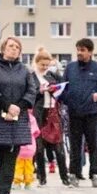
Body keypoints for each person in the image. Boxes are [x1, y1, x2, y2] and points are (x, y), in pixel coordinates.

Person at [0, 36, 38, 194]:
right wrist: (6, 105)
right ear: (3, 48)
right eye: (11, 46)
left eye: (17, 47)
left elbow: (31, 90)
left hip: (18, 118)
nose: (14, 49)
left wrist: (18, 106)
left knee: (12, 157)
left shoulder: (24, 69)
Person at [60, 38, 97, 188]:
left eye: (83, 50)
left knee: (93, 145)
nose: (79, 53)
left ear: (90, 52)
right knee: (75, 145)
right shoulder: (70, 68)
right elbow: (62, 88)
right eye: (78, 49)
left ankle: (95, 174)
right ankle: (74, 173)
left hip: (92, 113)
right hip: (74, 112)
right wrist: (67, 99)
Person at [31, 48, 68, 186]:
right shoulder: (31, 76)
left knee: (58, 146)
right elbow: (29, 95)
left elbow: (63, 91)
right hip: (38, 113)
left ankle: (65, 176)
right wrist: (40, 91)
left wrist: (56, 90)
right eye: (42, 65)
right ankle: (41, 177)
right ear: (36, 63)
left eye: (47, 65)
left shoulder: (53, 75)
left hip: (53, 112)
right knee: (39, 147)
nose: (45, 67)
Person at [12, 109, 40, 189]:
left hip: (19, 147)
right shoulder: (32, 118)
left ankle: (17, 182)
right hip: (30, 148)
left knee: (18, 166)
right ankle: (28, 183)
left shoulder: (17, 117)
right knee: (29, 166)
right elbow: (36, 132)